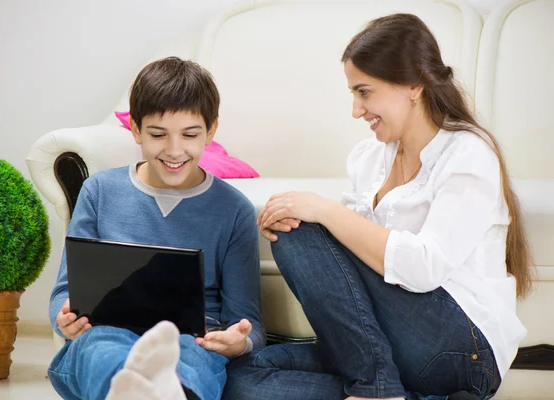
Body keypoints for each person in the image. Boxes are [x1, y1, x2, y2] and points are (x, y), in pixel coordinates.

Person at [223, 13, 531, 400]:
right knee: (244, 377)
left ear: (414, 86)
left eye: (364, 92)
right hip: (387, 346)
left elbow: (423, 268)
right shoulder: (369, 158)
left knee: (301, 229)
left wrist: (323, 210)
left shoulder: (468, 154)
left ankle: (376, 389)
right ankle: (395, 392)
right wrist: (302, 212)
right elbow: (347, 263)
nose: (356, 109)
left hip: (460, 349)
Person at [47, 56, 265, 400]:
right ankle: (131, 387)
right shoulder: (99, 191)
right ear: (135, 129)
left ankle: (165, 389)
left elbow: (248, 321)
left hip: (194, 337)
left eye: (190, 135)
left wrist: (240, 341)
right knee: (103, 345)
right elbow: (63, 291)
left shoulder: (233, 210)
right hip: (108, 328)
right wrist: (63, 317)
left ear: (211, 131)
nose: (175, 150)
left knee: (190, 351)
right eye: (158, 134)